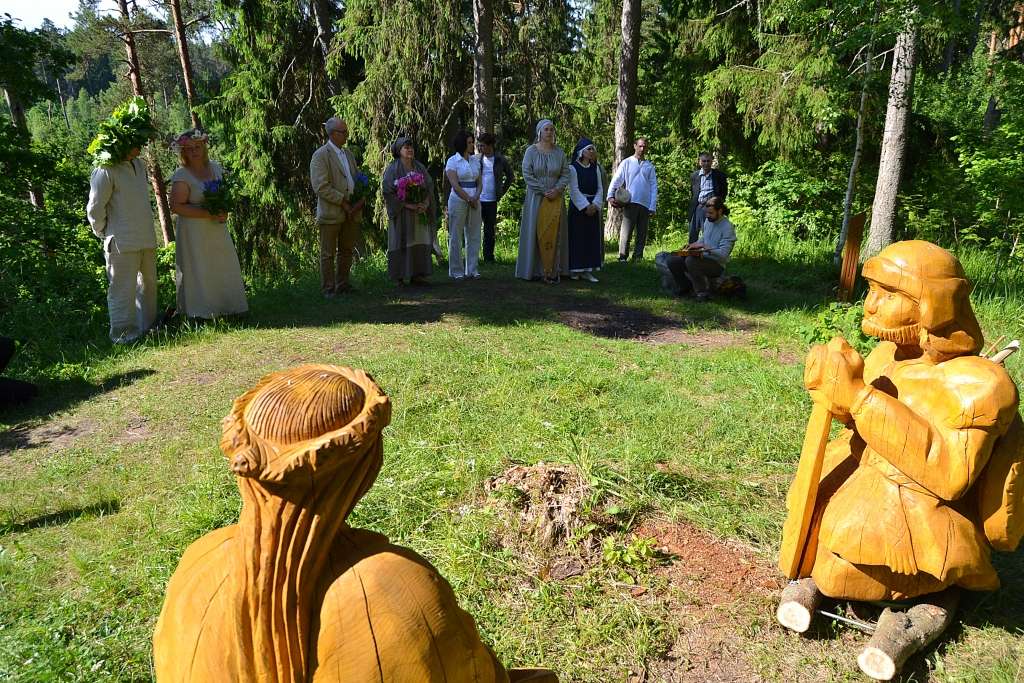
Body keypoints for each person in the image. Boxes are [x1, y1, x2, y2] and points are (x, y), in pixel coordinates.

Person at [777, 241, 1022, 675]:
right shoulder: (887, 355)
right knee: (832, 557)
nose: (869, 304)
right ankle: (817, 586)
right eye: (871, 289)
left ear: (934, 304)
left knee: (887, 566)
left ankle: (919, 609)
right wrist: (837, 395)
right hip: (862, 484)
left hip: (918, 511)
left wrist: (860, 397)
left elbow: (949, 475)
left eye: (888, 293)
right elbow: (864, 425)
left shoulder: (979, 383)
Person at [168, 129, 248, 319]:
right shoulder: (182, 175)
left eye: (197, 147)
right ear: (183, 152)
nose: (194, 151)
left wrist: (223, 210)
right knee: (199, 267)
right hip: (194, 231)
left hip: (217, 228)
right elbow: (176, 207)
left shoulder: (216, 168)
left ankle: (229, 308)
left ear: (204, 146)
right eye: (189, 149)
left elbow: (224, 195)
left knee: (222, 263)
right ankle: (201, 313)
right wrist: (208, 213)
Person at [87, 145, 158, 344]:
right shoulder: (105, 169)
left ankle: (148, 330)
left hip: (145, 237)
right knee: (122, 290)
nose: (140, 147)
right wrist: (102, 231)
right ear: (122, 142)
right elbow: (95, 207)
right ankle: (124, 337)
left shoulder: (138, 164)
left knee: (148, 285)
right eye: (136, 143)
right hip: (120, 241)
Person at [310, 118, 364, 297]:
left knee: (347, 250)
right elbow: (321, 186)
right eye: (343, 132)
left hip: (351, 211)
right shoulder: (321, 155)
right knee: (328, 253)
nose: (347, 135)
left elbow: (355, 178)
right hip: (332, 212)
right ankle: (328, 288)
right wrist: (343, 202)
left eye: (346, 131)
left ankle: (343, 284)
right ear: (332, 134)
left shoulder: (347, 154)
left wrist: (359, 198)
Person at [516, 119, 570, 283]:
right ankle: (533, 270)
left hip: (555, 197)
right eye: (546, 129)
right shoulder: (531, 151)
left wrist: (557, 189)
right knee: (534, 230)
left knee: (555, 231)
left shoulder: (559, 152)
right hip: (536, 197)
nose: (549, 132)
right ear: (540, 132)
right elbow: (527, 173)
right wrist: (543, 190)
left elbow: (566, 173)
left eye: (552, 129)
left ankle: (553, 269)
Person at [381, 137, 435, 286]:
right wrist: (407, 205)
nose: (410, 150)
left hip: (419, 213)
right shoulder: (392, 169)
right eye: (406, 147)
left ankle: (417, 275)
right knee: (401, 243)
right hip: (402, 214)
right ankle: (399, 277)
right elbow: (387, 191)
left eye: (411, 147)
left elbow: (429, 187)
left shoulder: (419, 167)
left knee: (419, 241)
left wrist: (425, 202)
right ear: (399, 151)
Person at [606, 137, 657, 262]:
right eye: (640, 146)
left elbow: (654, 186)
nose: (642, 148)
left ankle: (638, 256)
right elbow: (617, 179)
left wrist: (652, 206)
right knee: (626, 231)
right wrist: (610, 196)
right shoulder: (627, 162)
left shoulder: (649, 166)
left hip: (645, 203)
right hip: (630, 201)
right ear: (635, 146)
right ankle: (623, 256)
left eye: (644, 146)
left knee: (642, 233)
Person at [681, 196, 736, 301]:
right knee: (674, 260)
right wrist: (691, 246)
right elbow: (703, 239)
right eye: (707, 213)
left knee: (691, 261)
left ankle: (702, 293)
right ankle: (684, 288)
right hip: (703, 257)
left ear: (720, 211)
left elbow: (723, 255)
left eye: (711, 213)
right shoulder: (708, 221)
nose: (707, 216)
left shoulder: (728, 227)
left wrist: (705, 247)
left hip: (717, 265)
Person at [444, 130, 483, 280]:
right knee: (456, 235)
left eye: (472, 142)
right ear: (462, 144)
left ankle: (472, 269)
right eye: (469, 142)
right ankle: (456, 271)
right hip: (458, 200)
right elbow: (455, 184)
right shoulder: (452, 161)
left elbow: (480, 183)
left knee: (474, 235)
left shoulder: (475, 161)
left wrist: (476, 197)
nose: (472, 144)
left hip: (475, 199)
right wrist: (468, 199)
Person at [566, 138, 604, 282]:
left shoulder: (596, 168)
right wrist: (585, 206)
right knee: (578, 238)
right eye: (589, 149)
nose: (592, 151)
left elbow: (600, 188)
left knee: (590, 238)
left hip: (593, 206)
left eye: (593, 149)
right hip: (578, 208)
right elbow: (574, 189)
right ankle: (575, 269)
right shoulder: (573, 168)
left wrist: (595, 205)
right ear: (581, 152)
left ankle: (588, 270)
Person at [476, 132, 516, 263]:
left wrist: (501, 192)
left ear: (490, 145)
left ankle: (488, 257)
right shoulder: (476, 159)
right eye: (479, 145)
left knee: (489, 230)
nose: (480, 148)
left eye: (482, 145)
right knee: (474, 229)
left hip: (492, 200)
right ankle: (474, 258)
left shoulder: (500, 159)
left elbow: (510, 176)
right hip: (477, 199)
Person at [688, 151, 727, 245]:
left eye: (708, 161)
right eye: (703, 161)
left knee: (709, 232)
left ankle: (708, 253)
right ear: (699, 162)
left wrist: (717, 205)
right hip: (697, 207)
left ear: (712, 162)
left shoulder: (719, 176)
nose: (706, 163)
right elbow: (693, 192)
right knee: (693, 232)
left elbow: (724, 192)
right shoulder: (694, 176)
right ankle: (691, 253)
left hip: (711, 207)